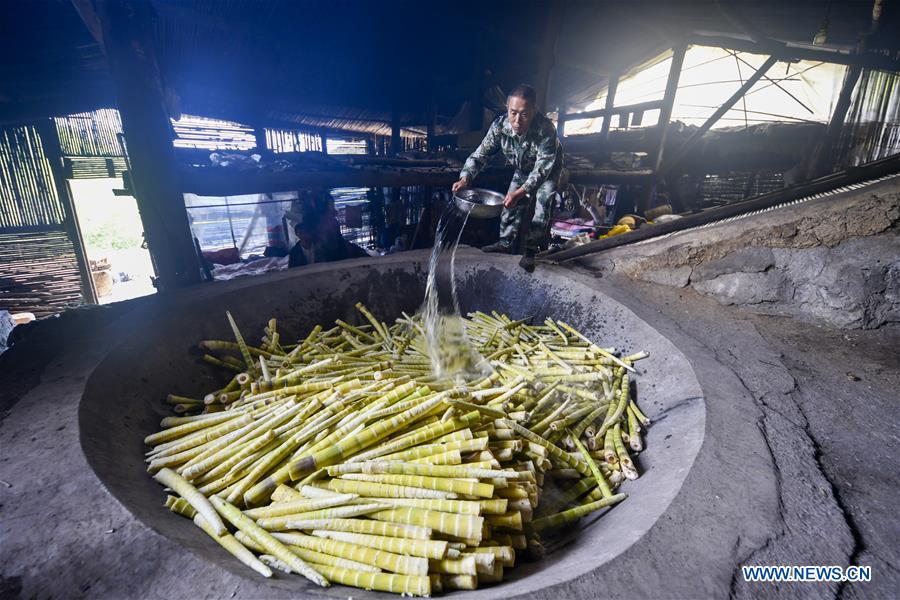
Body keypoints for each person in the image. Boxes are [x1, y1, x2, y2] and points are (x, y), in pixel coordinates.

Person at [452, 84, 564, 273]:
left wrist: (522, 192)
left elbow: (541, 170)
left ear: (534, 110)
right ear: (507, 108)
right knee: (509, 204)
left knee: (542, 205)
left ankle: (530, 251)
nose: (517, 120)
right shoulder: (499, 126)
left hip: (547, 170)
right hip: (522, 168)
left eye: (524, 114)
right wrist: (465, 178)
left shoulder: (546, 129)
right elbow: (480, 155)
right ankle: (505, 243)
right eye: (513, 113)